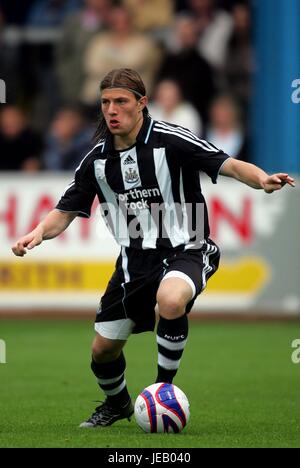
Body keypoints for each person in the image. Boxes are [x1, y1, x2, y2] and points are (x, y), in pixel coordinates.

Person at [12, 68, 295, 428]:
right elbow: (65, 211)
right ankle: (117, 405)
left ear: (142, 104)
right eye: (105, 103)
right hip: (133, 264)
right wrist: (37, 233)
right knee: (102, 351)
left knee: (171, 299)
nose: (111, 110)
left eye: (120, 102)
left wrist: (263, 179)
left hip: (187, 248)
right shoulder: (97, 161)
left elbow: (229, 164)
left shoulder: (172, 140)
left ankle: (163, 390)